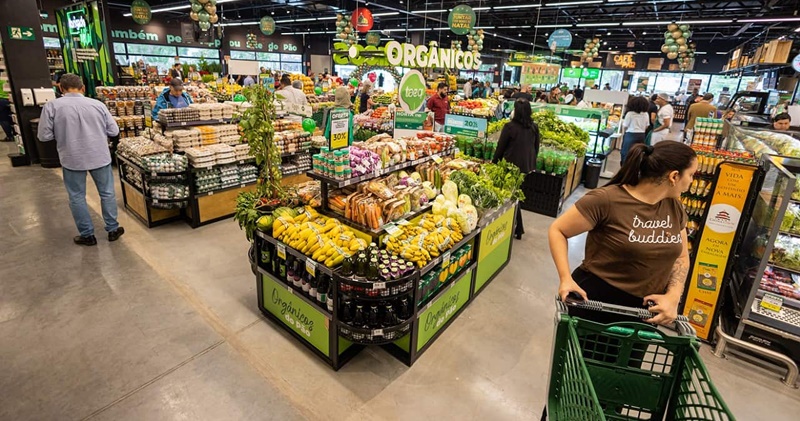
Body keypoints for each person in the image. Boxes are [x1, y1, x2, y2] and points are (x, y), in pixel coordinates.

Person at [549, 141, 697, 326]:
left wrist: (673, 296)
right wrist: (565, 278)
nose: (691, 181)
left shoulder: (673, 206)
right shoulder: (607, 200)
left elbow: (681, 256)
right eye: (691, 174)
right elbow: (559, 230)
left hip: (645, 311)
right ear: (674, 176)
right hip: (597, 304)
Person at [37, 74, 125, 246]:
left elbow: (44, 136)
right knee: (107, 193)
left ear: (60, 88)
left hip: (72, 158)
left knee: (77, 197)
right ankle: (113, 229)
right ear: (83, 87)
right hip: (99, 155)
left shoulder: (52, 106)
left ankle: (87, 235)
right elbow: (114, 131)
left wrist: (64, 134)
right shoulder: (97, 105)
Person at [493, 100, 539, 240]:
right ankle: (518, 228)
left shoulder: (509, 127)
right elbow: (536, 147)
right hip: (527, 166)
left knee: (512, 196)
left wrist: (494, 163)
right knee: (516, 194)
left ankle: (517, 228)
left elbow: (500, 148)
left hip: (511, 167)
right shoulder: (534, 127)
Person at [619, 96, 651, 164]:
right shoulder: (646, 114)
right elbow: (647, 126)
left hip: (630, 135)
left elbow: (625, 126)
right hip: (641, 135)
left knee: (626, 153)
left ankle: (625, 168)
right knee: (637, 153)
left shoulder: (630, 114)